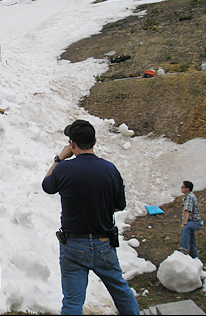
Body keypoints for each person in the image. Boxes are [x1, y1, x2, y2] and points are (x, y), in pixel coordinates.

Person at [42, 120, 140, 315]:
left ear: (72, 145)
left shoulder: (64, 169)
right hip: (104, 242)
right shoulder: (110, 169)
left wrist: (59, 158)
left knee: (72, 303)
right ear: (94, 141)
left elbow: (47, 185)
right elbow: (120, 204)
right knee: (121, 293)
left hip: (73, 244)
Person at [179, 181, 202, 258]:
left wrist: (184, 224)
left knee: (185, 229)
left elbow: (187, 210)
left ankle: (184, 250)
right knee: (191, 239)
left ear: (187, 189)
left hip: (194, 222)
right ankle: (194, 257)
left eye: (182, 187)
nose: (181, 188)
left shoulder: (189, 197)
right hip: (194, 222)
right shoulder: (189, 196)